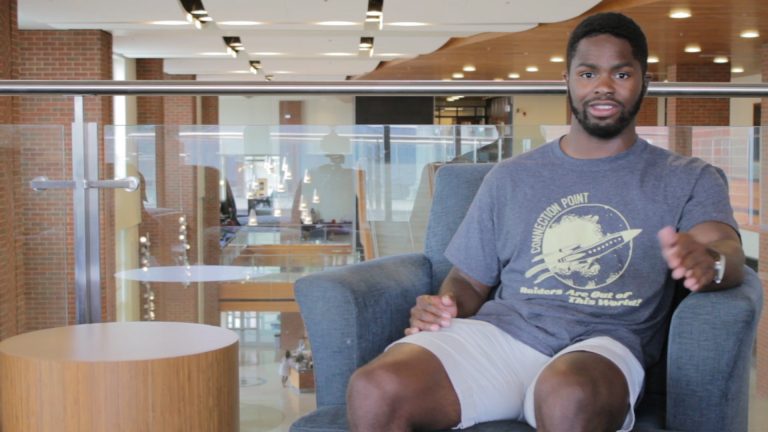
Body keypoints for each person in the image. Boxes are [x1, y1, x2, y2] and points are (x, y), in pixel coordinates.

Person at [346, 12, 745, 432]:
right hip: (503, 337)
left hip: (601, 347)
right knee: (375, 388)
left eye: (621, 73)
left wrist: (713, 263)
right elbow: (468, 280)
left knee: (568, 394)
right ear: (567, 80)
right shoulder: (510, 177)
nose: (603, 86)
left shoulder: (687, 177)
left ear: (644, 81)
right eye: (588, 73)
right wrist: (444, 305)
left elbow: (725, 248)